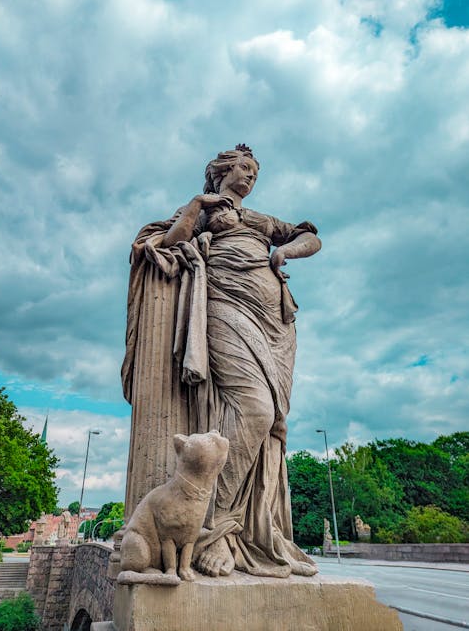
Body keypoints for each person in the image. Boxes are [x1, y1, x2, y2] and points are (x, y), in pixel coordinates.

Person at [122, 144, 321, 578]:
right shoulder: (206, 208)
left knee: (268, 422)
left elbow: (312, 237)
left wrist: (286, 253)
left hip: (274, 321)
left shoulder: (264, 221)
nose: (250, 176)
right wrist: (195, 206)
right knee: (254, 408)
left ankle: (246, 530)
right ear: (221, 172)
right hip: (225, 303)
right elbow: (168, 243)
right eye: (243, 168)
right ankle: (217, 530)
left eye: (255, 171)